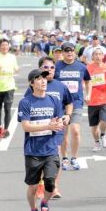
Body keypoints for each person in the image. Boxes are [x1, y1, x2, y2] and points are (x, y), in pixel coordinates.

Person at [18, 69, 69, 211]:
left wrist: (61, 122)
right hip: (33, 150)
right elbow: (25, 127)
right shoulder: (26, 102)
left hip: (50, 148)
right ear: (32, 83)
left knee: (50, 182)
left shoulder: (53, 100)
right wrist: (48, 126)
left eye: (44, 78)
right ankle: (33, 209)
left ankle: (45, 203)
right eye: (38, 79)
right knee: (33, 187)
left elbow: (58, 121)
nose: (43, 81)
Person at [24, 57, 74, 199]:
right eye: (46, 67)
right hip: (39, 131)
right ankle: (41, 185)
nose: (50, 70)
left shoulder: (61, 86)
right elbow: (27, 106)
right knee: (42, 159)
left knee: (55, 155)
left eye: (52, 67)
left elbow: (69, 102)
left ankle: (54, 186)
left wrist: (68, 116)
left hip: (56, 129)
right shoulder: (33, 88)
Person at [54, 42, 91, 171]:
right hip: (60, 104)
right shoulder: (57, 66)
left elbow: (88, 80)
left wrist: (88, 94)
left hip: (76, 102)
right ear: (62, 53)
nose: (69, 52)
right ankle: (64, 158)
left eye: (71, 50)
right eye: (66, 50)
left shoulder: (81, 66)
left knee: (75, 131)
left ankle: (74, 158)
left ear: (75, 52)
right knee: (63, 132)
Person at [87, 47, 106, 151]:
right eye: (96, 54)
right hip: (92, 101)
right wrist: (85, 93)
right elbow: (83, 82)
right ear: (92, 56)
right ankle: (97, 143)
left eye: (100, 54)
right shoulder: (88, 68)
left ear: (103, 56)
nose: (98, 56)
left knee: (104, 121)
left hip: (104, 100)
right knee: (94, 127)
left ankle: (103, 135)